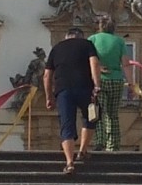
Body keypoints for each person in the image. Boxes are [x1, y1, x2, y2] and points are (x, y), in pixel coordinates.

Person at [41, 23, 102, 175]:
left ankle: (69, 163)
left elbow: (47, 75)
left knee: (66, 125)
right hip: (85, 87)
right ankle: (82, 150)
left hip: (63, 90)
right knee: (91, 117)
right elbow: (94, 63)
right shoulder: (87, 44)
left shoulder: (56, 48)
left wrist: (49, 97)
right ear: (81, 36)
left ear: (66, 37)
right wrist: (97, 85)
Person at [88, 13, 128, 151]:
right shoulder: (120, 41)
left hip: (98, 80)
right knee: (112, 114)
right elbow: (126, 63)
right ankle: (113, 144)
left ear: (100, 26)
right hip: (116, 79)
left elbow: (88, 60)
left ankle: (100, 141)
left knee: (98, 111)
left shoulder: (92, 39)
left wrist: (98, 68)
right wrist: (131, 83)